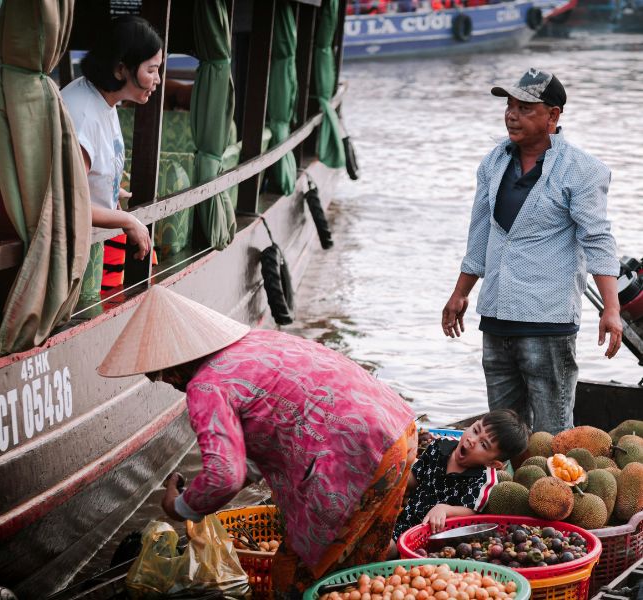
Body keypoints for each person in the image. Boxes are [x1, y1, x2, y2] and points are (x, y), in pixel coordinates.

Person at [97, 286, 417, 598]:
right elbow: (262, 433)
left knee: (290, 578)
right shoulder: (258, 342)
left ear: (173, 365)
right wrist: (209, 484)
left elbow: (225, 476)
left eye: (162, 375)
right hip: (397, 434)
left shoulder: (206, 386)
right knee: (360, 573)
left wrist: (180, 507)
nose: (168, 383)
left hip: (356, 461)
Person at [442, 68, 622, 434]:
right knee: (503, 435)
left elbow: (598, 240)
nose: (512, 115)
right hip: (495, 318)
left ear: (553, 116)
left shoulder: (581, 171)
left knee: (553, 435)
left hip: (547, 324)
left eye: (525, 108)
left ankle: (557, 492)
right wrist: (460, 294)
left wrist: (612, 309)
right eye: (509, 106)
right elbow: (480, 234)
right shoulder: (494, 162)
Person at [61, 15, 160, 288]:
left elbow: (85, 179)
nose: (158, 80)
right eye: (151, 71)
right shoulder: (81, 115)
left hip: (96, 245)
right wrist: (128, 220)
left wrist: (109, 188)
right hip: (74, 258)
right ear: (120, 70)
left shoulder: (106, 101)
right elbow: (71, 203)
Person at [390, 410, 530, 548]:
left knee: (386, 548)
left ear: (493, 464)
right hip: (403, 519)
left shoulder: (484, 479)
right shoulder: (439, 446)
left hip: (429, 538)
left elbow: (472, 510)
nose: (472, 440)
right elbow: (415, 477)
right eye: (475, 430)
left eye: (483, 444)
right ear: (473, 424)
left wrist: (445, 510)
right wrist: (393, 479)